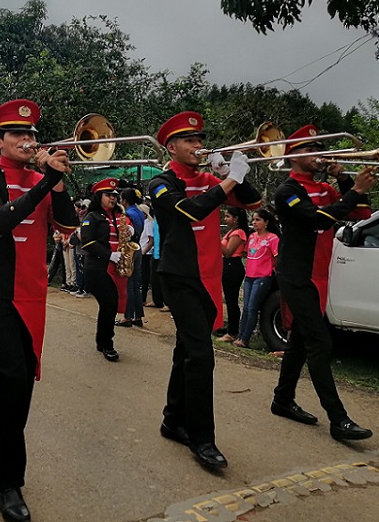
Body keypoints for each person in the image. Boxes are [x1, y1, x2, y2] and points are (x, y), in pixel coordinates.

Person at [0, 98, 77, 522]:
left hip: (33, 293)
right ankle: (10, 482)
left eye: (32, 134)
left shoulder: (42, 178)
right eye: (18, 135)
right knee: (11, 379)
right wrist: (46, 182)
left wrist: (58, 182)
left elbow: (67, 227)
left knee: (22, 383)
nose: (28, 141)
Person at [148, 111, 261, 470]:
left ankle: (171, 419)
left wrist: (231, 175)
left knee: (186, 351)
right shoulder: (161, 182)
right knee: (201, 356)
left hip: (209, 277)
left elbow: (254, 203)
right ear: (171, 147)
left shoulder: (209, 177)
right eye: (190, 141)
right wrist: (226, 184)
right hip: (179, 277)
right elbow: (191, 210)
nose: (198, 146)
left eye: (199, 140)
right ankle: (202, 438)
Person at [270, 124, 376, 441]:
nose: (317, 152)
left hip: (320, 274)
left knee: (301, 342)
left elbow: (362, 213)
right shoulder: (286, 191)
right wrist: (354, 189)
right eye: (308, 148)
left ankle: (282, 399)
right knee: (320, 342)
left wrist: (345, 181)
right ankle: (338, 418)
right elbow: (318, 218)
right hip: (296, 275)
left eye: (318, 146)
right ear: (292, 156)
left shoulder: (325, 188)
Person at [81, 178, 131, 360]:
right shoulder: (91, 217)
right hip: (98, 267)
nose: (112, 198)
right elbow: (86, 242)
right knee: (109, 303)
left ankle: (102, 341)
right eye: (108, 195)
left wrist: (131, 232)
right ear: (99, 197)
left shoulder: (119, 215)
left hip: (116, 267)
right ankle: (107, 344)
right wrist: (109, 254)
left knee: (109, 305)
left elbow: (130, 231)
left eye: (114, 195)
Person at [234, 208, 280, 347]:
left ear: (266, 222)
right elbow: (247, 253)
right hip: (249, 276)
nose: (254, 222)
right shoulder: (252, 237)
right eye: (253, 219)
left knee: (253, 306)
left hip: (263, 277)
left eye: (258, 219)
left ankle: (245, 338)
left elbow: (277, 258)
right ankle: (240, 335)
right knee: (246, 306)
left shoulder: (273, 239)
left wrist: (271, 269)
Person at [218, 207, 250, 343]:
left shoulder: (238, 233)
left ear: (236, 219)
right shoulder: (232, 231)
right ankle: (230, 327)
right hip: (228, 265)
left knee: (232, 300)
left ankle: (233, 332)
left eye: (227, 216)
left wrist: (216, 238)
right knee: (229, 298)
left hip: (233, 266)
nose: (225, 219)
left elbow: (228, 252)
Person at [118, 187, 146, 327]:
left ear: (125, 200)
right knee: (136, 285)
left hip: (129, 248)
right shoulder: (139, 211)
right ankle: (138, 316)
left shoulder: (128, 214)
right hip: (138, 247)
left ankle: (127, 316)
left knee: (128, 285)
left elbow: (126, 233)